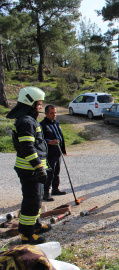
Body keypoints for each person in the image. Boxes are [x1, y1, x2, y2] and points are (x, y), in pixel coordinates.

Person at [6, 87, 52, 244]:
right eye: (39, 104)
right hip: (30, 170)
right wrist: (39, 167)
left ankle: (36, 225)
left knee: (37, 200)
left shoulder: (28, 119)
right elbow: (27, 147)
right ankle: (27, 234)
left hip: (32, 170)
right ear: (30, 103)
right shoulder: (26, 122)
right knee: (31, 201)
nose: (40, 107)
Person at [40, 105, 67, 201]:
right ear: (46, 113)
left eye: (55, 112)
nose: (54, 114)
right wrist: (49, 141)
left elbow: (60, 136)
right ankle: (46, 193)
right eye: (52, 113)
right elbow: (39, 139)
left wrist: (63, 150)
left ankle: (55, 189)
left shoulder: (56, 122)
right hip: (49, 153)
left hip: (58, 152)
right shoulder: (42, 125)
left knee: (57, 172)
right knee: (49, 173)